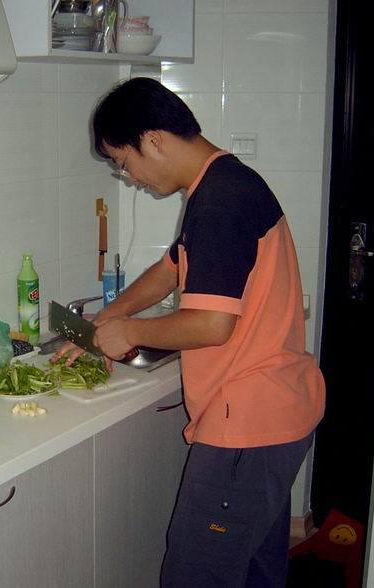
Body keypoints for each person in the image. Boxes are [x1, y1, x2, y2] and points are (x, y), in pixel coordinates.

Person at [53, 77, 325, 587]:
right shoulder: (223, 183)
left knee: (196, 574)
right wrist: (106, 320)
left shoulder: (221, 202)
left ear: (153, 139)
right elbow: (170, 269)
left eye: (124, 162)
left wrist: (131, 332)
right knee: (254, 567)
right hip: (277, 413)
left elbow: (212, 325)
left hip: (247, 426)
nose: (129, 178)